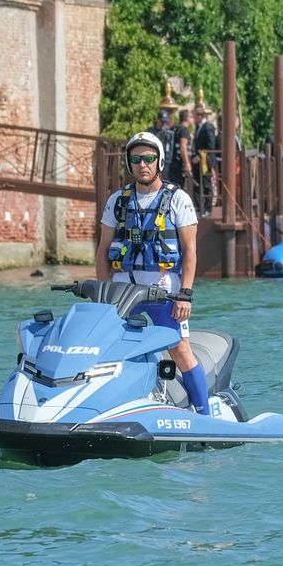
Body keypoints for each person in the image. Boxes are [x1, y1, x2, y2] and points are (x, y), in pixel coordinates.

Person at [96, 131, 209, 415]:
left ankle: (203, 414)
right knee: (111, 350)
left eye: (148, 158)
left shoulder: (178, 199)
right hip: (123, 289)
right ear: (129, 163)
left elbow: (190, 251)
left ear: (158, 161)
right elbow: (103, 249)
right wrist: (102, 292)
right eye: (136, 159)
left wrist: (185, 295)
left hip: (164, 289)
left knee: (179, 349)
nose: (142, 164)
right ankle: (110, 408)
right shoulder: (117, 201)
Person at [191, 101, 217, 216]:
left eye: (195, 116)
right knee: (196, 183)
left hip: (205, 161)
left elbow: (210, 146)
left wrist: (200, 156)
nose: (193, 118)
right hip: (198, 161)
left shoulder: (208, 127)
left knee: (206, 184)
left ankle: (208, 208)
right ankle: (198, 208)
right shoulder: (198, 127)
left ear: (200, 116)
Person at [164, 108, 192, 187]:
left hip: (171, 163)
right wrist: (187, 164)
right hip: (179, 164)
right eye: (191, 117)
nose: (192, 119)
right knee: (178, 187)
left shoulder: (175, 128)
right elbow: (183, 147)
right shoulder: (184, 130)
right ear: (187, 118)